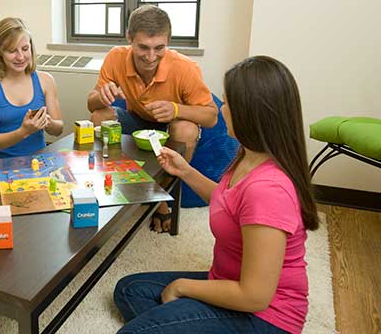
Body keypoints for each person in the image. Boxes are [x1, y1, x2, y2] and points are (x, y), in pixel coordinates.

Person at [113, 56, 320, 334]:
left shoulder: (269, 189)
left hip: (264, 316)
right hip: (226, 281)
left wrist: (182, 287)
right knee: (130, 290)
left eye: (227, 104)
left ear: (250, 113)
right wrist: (185, 171)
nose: (222, 111)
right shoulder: (249, 155)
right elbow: (229, 202)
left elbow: (255, 296)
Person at [87, 4, 218, 232]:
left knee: (185, 129)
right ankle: (115, 186)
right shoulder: (116, 57)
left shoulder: (185, 68)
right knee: (100, 115)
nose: (150, 57)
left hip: (171, 126)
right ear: (129, 38)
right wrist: (102, 96)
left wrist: (176, 110)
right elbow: (91, 104)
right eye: (143, 47)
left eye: (159, 48)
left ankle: (162, 200)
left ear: (168, 40)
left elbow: (212, 116)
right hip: (137, 121)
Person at [0, 17, 63, 171]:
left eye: (25, 49)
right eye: (12, 51)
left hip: (39, 165)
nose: (20, 57)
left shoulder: (46, 80)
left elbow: (59, 129)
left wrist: (48, 123)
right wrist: (23, 132)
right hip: (2, 168)